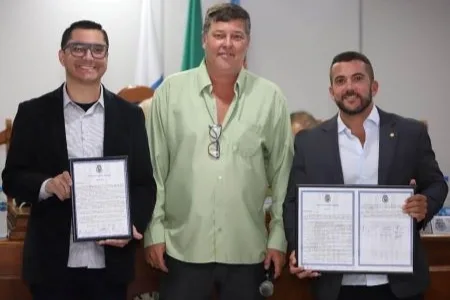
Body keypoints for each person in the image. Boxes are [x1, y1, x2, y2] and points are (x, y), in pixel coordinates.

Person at [143, 3, 293, 300]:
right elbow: (154, 170)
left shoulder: (270, 97)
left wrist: (278, 236)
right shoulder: (170, 93)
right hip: (181, 247)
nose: (227, 44)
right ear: (204, 39)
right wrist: (154, 232)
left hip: (247, 250)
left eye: (236, 36)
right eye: (219, 35)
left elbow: (282, 175)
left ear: (247, 43)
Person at [1, 20, 156, 300]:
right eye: (78, 48)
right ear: (62, 55)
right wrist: (47, 185)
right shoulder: (33, 113)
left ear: (106, 57)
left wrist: (131, 225)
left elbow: (144, 183)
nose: (88, 57)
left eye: (98, 50)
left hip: (110, 264)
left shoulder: (130, 116)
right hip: (52, 265)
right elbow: (12, 179)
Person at [283, 51, 448, 300]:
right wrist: (299, 249)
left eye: (357, 78)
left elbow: (436, 184)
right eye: (340, 81)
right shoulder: (309, 142)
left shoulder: (410, 133)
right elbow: (293, 202)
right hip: (335, 285)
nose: (349, 87)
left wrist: (426, 204)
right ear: (331, 92)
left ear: (374, 86)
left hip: (399, 285)